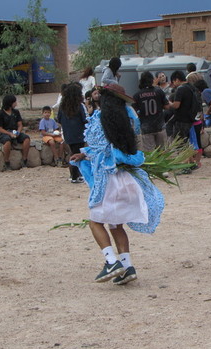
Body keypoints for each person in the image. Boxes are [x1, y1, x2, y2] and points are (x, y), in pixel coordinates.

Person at [70, 83, 164, 284]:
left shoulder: (100, 120)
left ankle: (111, 262)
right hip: (125, 179)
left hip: (109, 181)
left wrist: (86, 154)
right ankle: (128, 267)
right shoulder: (126, 120)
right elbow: (113, 149)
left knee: (95, 222)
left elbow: (100, 150)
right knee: (115, 225)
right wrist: (86, 153)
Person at [57, 83, 87, 183]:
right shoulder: (80, 106)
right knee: (78, 154)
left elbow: (59, 119)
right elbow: (85, 120)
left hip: (68, 134)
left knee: (72, 152)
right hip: (79, 134)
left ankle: (73, 175)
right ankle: (76, 176)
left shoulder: (62, 106)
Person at [132, 71, 170, 152]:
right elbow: (167, 106)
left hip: (146, 128)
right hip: (160, 126)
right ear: (152, 80)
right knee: (163, 153)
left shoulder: (137, 95)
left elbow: (133, 111)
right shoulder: (159, 91)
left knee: (150, 154)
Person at [0, 94, 30, 170]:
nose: (16, 104)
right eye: (14, 102)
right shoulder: (1, 114)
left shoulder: (16, 112)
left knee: (26, 139)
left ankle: (24, 160)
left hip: (15, 132)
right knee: (7, 142)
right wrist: (9, 133)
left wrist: (18, 132)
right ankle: (6, 162)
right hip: (5, 133)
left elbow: (20, 124)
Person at [168, 70, 195, 142]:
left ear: (177, 80)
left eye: (173, 82)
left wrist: (169, 103)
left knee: (180, 143)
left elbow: (176, 105)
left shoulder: (180, 89)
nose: (174, 84)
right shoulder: (191, 87)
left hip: (182, 120)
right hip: (191, 118)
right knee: (188, 142)